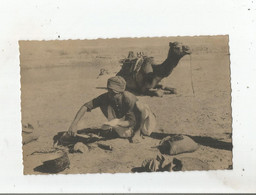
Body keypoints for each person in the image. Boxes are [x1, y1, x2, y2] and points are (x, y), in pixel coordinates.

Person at [68, 76, 156, 141]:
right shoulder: (106, 97)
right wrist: (74, 124)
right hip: (125, 119)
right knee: (123, 134)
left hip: (140, 117)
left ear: (121, 93)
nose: (110, 95)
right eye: (109, 91)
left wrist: (135, 133)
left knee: (146, 130)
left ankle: (141, 129)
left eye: (114, 93)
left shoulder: (129, 98)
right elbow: (85, 106)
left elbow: (133, 121)